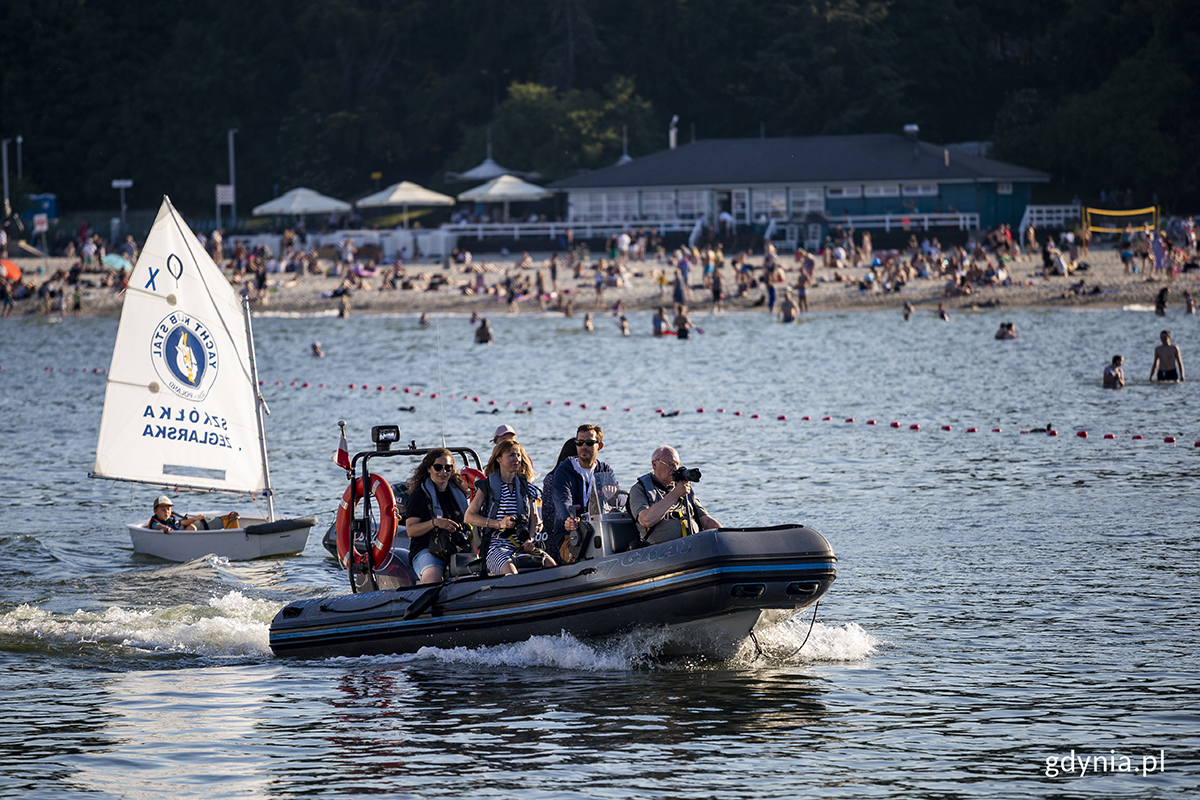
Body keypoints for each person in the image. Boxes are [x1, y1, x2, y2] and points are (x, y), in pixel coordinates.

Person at [464, 439, 553, 575]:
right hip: (497, 546)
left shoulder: (527, 488)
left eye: (518, 455)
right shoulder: (486, 487)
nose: (516, 459)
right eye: (511, 455)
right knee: (512, 574)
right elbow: (469, 516)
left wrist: (529, 539)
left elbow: (534, 520)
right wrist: (499, 523)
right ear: (499, 458)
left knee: (551, 565)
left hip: (522, 544)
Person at [548, 424, 618, 563]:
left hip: (601, 530)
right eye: (579, 442)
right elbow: (562, 501)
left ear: (600, 445)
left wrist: (613, 494)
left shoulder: (605, 469)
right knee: (579, 555)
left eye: (589, 443)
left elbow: (620, 499)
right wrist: (568, 519)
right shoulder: (564, 471)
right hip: (572, 533)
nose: (583, 446)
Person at [628, 446, 721, 544]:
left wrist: (726, 535)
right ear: (654, 464)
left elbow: (705, 521)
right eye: (671, 464)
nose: (675, 469)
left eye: (677, 464)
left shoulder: (684, 488)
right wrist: (675, 494)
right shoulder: (639, 489)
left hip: (693, 545)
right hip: (659, 551)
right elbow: (646, 520)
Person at [404, 449, 471, 584]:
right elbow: (410, 530)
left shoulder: (459, 493)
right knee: (433, 578)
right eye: (438, 467)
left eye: (448, 468)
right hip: (427, 549)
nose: (443, 472)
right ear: (429, 468)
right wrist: (435, 523)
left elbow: (470, 525)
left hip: (456, 547)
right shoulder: (419, 495)